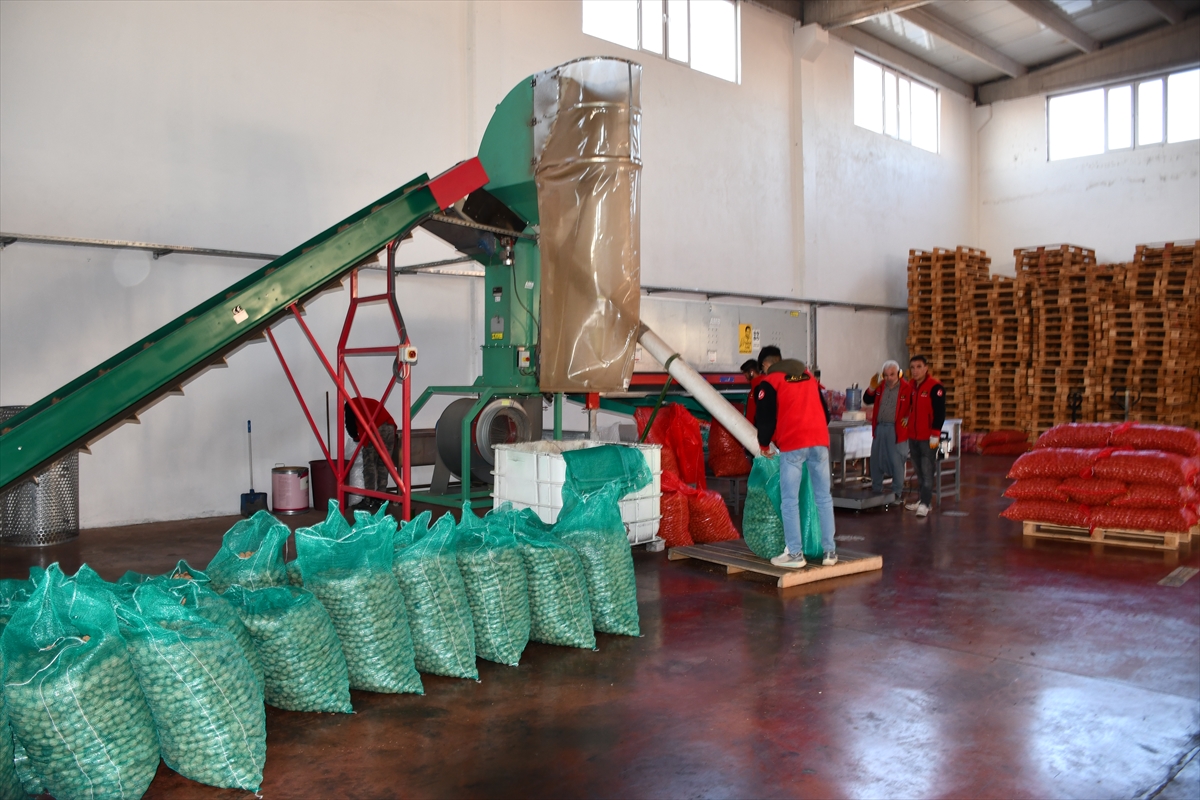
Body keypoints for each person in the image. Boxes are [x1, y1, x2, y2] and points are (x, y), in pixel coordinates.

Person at [754, 357, 837, 569]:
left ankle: (795, 554)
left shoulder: (771, 381)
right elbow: (825, 414)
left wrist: (764, 444)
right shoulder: (808, 377)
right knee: (824, 498)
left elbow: (765, 417)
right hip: (820, 441)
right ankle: (830, 552)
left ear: (766, 365)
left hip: (793, 443)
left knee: (790, 500)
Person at [863, 360, 913, 498]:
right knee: (876, 460)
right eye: (886, 375)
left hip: (896, 430)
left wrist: (909, 418)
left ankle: (897, 493)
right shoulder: (880, 387)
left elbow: (916, 406)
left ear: (899, 374)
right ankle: (876, 490)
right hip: (880, 428)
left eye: (892, 375)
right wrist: (872, 388)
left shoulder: (907, 388)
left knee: (896, 461)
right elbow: (867, 399)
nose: (889, 378)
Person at [904, 355, 945, 518]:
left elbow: (940, 412)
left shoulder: (935, 387)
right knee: (918, 470)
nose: (915, 371)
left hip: (928, 437)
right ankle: (923, 499)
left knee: (927, 470)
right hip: (913, 436)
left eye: (919, 367)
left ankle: (926, 504)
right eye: (912, 367)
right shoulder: (911, 387)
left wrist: (935, 433)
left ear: (926, 368)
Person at [344, 396, 399, 510]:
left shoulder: (350, 405)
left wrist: (355, 437)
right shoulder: (365, 402)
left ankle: (369, 499)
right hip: (389, 427)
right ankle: (381, 499)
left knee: (369, 465)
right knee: (383, 464)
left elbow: (350, 425)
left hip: (374, 429)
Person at [741, 358, 762, 423]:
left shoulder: (760, 386)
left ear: (751, 372)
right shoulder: (755, 386)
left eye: (745, 374)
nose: (745, 377)